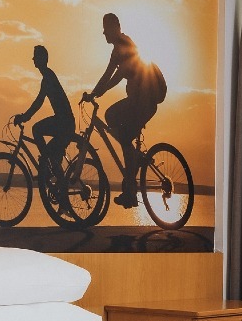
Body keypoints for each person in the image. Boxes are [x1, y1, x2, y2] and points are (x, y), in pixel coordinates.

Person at [84, 12, 167, 208]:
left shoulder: (126, 44)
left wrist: (101, 91)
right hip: (138, 101)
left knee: (111, 116)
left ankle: (131, 181)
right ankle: (132, 182)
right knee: (123, 137)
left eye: (106, 29)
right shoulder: (116, 51)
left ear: (116, 28)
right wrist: (94, 93)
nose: (104, 33)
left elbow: (119, 74)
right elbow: (107, 74)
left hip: (144, 101)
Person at [12, 44, 75, 179]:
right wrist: (25, 116)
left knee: (36, 129)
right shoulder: (47, 76)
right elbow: (39, 101)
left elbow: (39, 101)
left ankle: (46, 166)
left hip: (64, 123)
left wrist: (24, 117)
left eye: (36, 56)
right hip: (64, 122)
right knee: (53, 158)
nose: (33, 59)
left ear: (43, 59)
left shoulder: (48, 77)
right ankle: (53, 176)